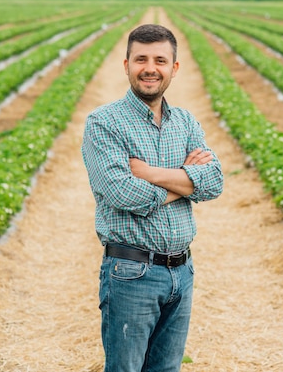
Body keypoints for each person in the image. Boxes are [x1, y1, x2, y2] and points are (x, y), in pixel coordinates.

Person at [81, 23, 224, 372]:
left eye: (160, 60)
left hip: (182, 270)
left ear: (174, 68)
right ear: (126, 64)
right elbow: (122, 192)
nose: (150, 68)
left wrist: (148, 172)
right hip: (131, 272)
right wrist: (185, 180)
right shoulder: (104, 123)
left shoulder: (185, 122)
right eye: (140, 59)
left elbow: (214, 181)